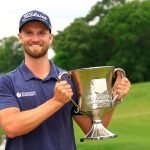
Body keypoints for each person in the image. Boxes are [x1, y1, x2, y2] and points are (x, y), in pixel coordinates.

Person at [0, 10, 131, 150]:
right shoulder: (7, 82)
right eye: (29, 33)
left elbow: (91, 128)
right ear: (20, 37)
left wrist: (113, 99)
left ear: (50, 37)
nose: (35, 38)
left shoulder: (69, 79)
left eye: (41, 33)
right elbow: (11, 127)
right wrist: (56, 102)